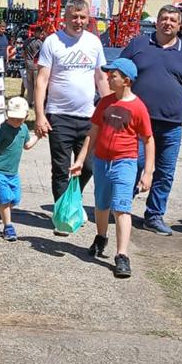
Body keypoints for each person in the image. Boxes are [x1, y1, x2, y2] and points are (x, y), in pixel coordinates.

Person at [120, 4, 182, 235]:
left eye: (173, 20)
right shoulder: (138, 45)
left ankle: (154, 216)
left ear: (179, 25)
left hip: (171, 125)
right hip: (137, 122)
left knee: (165, 173)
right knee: (134, 164)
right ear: (156, 22)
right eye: (164, 18)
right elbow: (118, 73)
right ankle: (121, 205)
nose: (168, 23)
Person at [70, 58, 154, 278]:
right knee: (101, 204)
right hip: (101, 162)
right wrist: (80, 160)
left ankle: (122, 255)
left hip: (125, 163)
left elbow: (148, 140)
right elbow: (93, 133)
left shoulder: (138, 107)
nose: (108, 78)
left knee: (121, 208)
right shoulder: (105, 102)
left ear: (126, 81)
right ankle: (101, 237)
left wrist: (147, 173)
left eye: (113, 75)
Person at [34, 0, 110, 203]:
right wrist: (39, 115)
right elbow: (42, 80)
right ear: (65, 18)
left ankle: (71, 200)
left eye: (82, 17)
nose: (78, 21)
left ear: (88, 18)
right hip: (59, 116)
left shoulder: (93, 42)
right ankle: (62, 214)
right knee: (61, 169)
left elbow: (101, 78)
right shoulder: (53, 41)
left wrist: (111, 108)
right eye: (74, 17)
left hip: (88, 117)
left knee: (89, 166)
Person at [0, 95, 41, 242]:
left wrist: (38, 136)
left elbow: (27, 145)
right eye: (13, 118)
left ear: (26, 116)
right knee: (6, 199)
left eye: (19, 119)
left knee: (15, 199)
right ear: (7, 114)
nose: (16, 122)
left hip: (13, 173)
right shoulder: (0, 130)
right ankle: (8, 227)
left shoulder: (24, 129)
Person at [20, 30, 44, 100]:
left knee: (29, 84)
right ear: (36, 33)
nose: (41, 35)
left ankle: (29, 100)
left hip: (28, 64)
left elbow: (23, 54)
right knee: (36, 84)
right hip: (36, 65)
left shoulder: (26, 41)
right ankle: (35, 100)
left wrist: (26, 60)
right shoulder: (40, 43)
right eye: (40, 33)